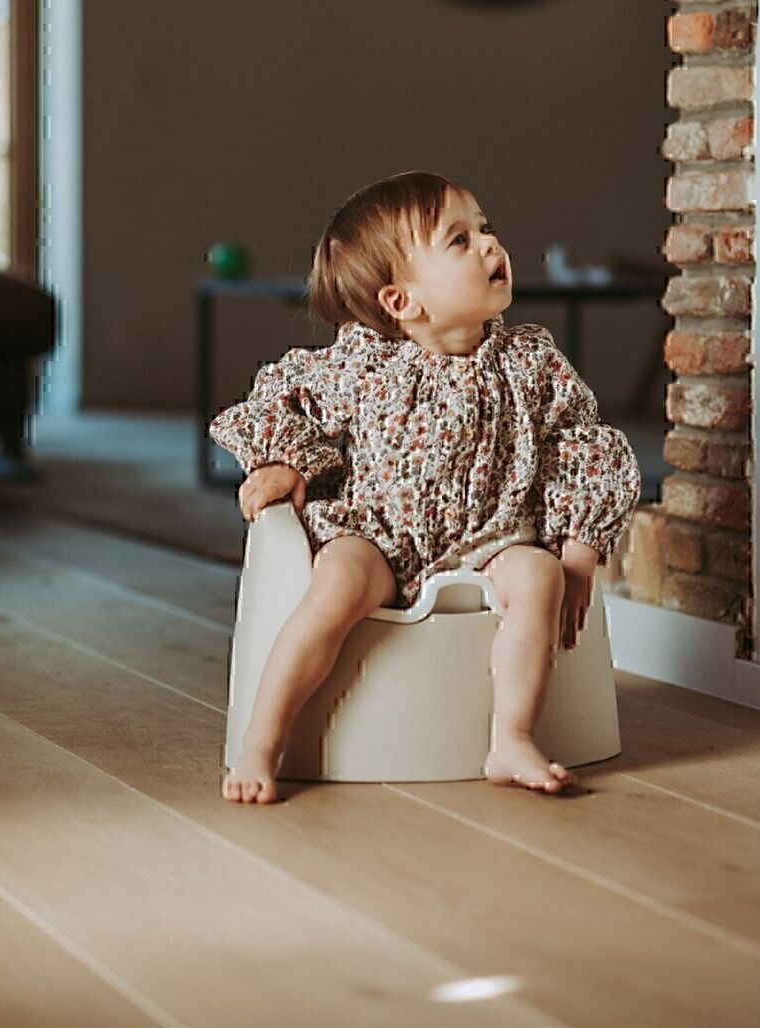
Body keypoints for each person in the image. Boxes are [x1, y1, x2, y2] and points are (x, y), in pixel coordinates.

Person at [209, 171, 641, 803]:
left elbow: (580, 442)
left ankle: (512, 737)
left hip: (493, 535)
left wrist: (578, 543)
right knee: (335, 584)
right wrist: (286, 461)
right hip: (377, 532)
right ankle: (262, 740)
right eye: (460, 241)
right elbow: (284, 395)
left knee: (540, 578)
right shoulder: (363, 364)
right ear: (400, 302)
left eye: (486, 229)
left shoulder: (530, 360)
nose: (491, 247)